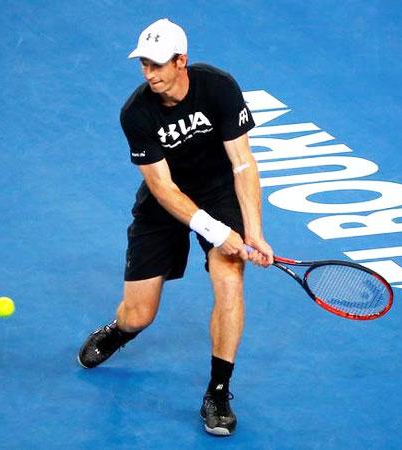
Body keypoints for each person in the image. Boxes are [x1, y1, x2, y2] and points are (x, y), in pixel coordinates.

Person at [77, 18, 273, 437]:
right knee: (139, 314)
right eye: (144, 65)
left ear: (181, 60)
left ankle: (218, 392)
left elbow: (242, 163)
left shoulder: (218, 87)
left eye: (158, 65)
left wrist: (252, 231)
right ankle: (119, 331)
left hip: (218, 191)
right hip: (164, 204)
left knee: (229, 279)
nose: (150, 74)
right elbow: (162, 187)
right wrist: (218, 232)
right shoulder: (135, 113)